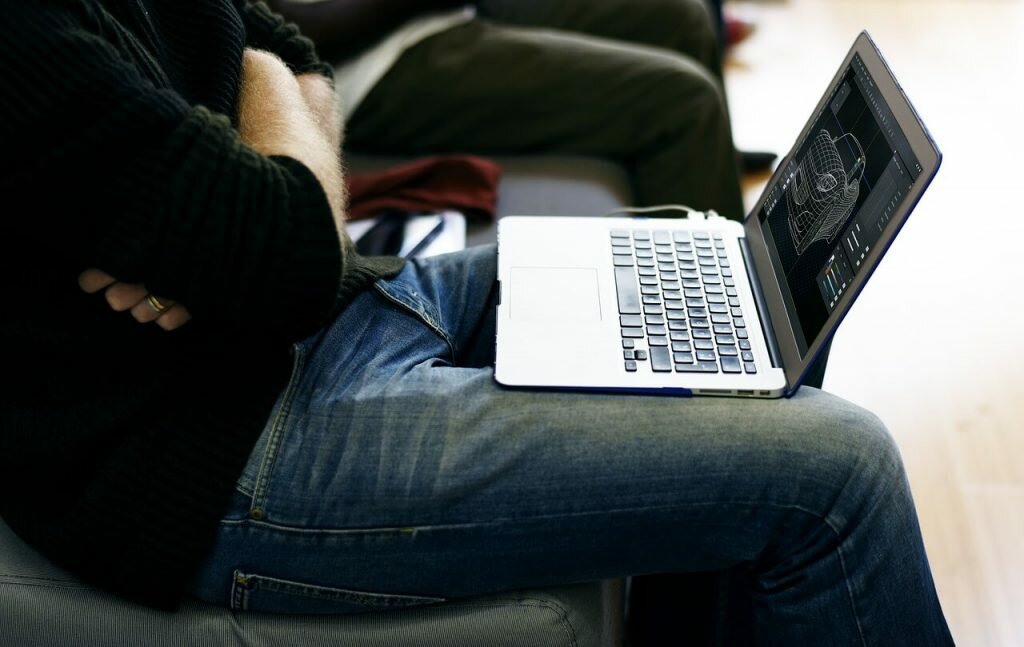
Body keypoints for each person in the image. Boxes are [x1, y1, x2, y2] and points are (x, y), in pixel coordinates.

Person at [0, 2, 955, 644]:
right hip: (219, 455)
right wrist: (264, 141)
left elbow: (286, 49)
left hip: (323, 324)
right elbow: (290, 239)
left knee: (742, 285)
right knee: (842, 469)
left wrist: (254, 158)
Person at [265, 0, 752, 220]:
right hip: (370, 63)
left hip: (444, 11)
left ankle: (710, 167)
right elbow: (288, 25)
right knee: (685, 103)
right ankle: (723, 339)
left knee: (683, 17)